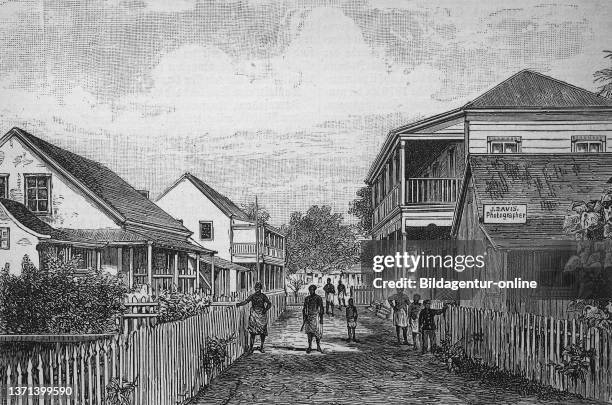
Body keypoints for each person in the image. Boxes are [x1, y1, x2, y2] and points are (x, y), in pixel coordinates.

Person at [236, 281, 272, 353]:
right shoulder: (252, 296)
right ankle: (251, 348)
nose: (257, 289)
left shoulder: (263, 296)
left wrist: (265, 309)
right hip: (254, 314)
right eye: (256, 288)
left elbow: (269, 303)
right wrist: (239, 304)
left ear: (260, 288)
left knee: (262, 332)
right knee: (252, 331)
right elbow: (246, 301)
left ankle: (261, 347)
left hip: (261, 315)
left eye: (258, 288)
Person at [302, 284, 324, 353]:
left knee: (317, 333)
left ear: (314, 290)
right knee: (309, 333)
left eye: (312, 290)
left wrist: (321, 318)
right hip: (309, 317)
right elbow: (304, 308)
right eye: (310, 290)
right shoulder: (307, 298)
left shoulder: (318, 298)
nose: (311, 291)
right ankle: (309, 346)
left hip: (316, 316)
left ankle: (318, 346)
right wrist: (304, 317)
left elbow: (321, 308)